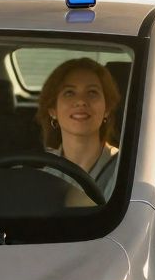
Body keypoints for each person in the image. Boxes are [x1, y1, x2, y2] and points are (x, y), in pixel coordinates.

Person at [33, 58, 122, 204]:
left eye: (92, 92)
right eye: (69, 93)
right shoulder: (40, 170)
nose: (81, 101)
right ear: (52, 110)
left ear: (107, 109)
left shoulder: (126, 171)